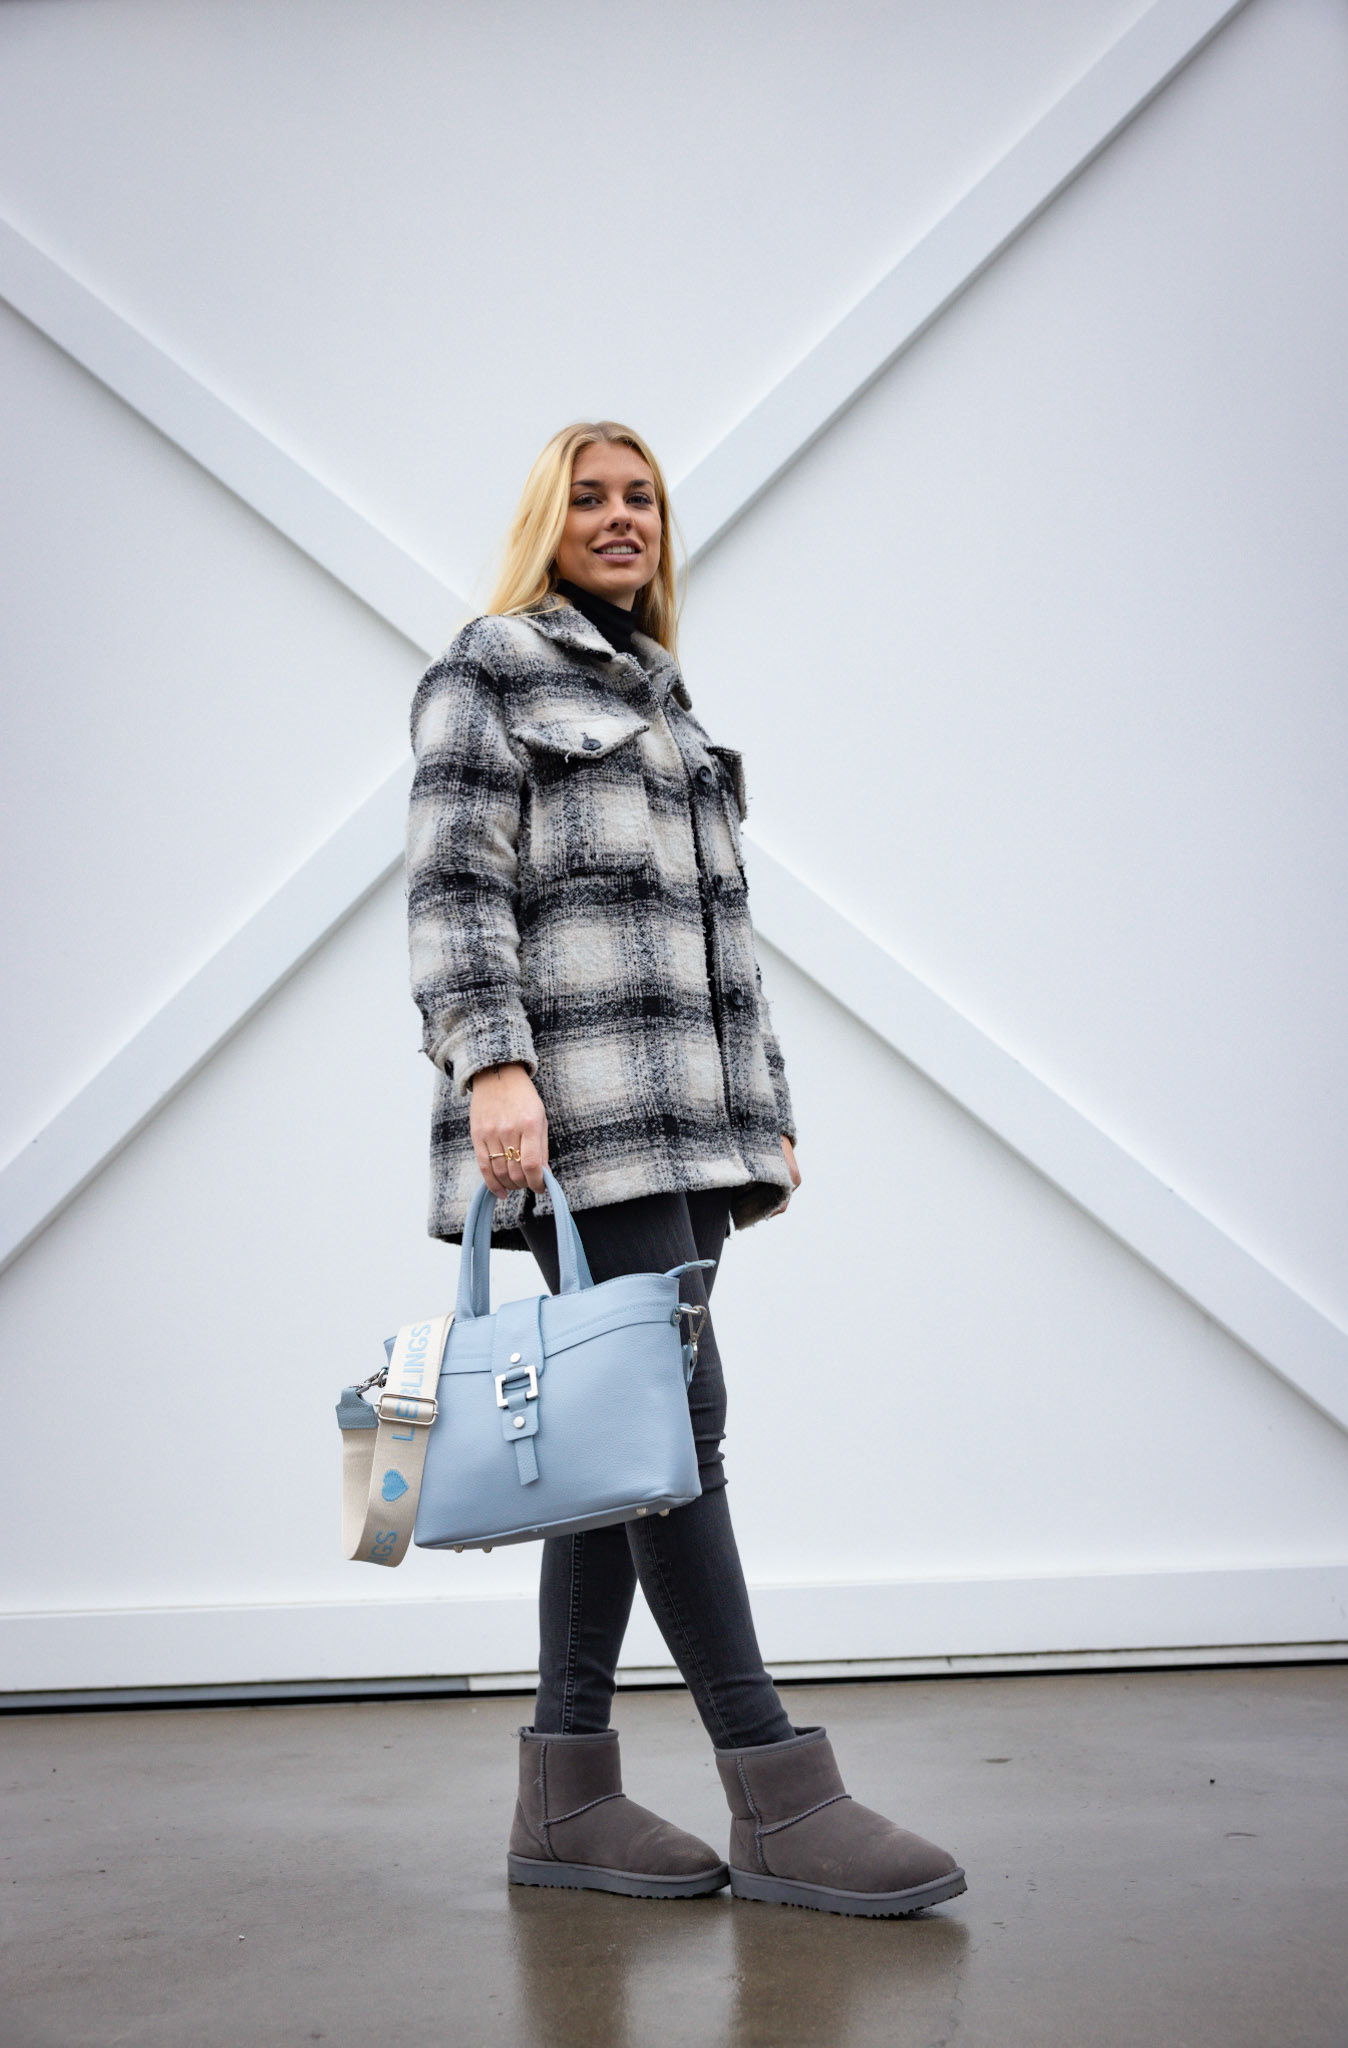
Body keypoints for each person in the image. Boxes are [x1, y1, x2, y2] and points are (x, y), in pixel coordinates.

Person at [406, 420, 965, 1918]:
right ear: (546, 520)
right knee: (673, 1428)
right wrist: (493, 1065)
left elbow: (725, 942)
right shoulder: (489, 669)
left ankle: (567, 1794)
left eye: (640, 498)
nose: (620, 517)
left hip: (686, 1127)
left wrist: (760, 1110)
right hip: (576, 1120)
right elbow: (454, 885)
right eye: (588, 497)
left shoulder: (662, 700)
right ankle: (777, 1789)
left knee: (619, 1439)